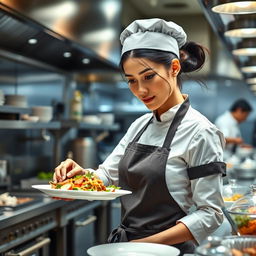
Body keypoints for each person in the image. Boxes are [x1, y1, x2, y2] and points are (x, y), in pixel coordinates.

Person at [53, 18, 226, 255]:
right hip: (128, 248)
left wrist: (143, 245)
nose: (140, 91)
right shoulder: (140, 125)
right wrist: (78, 178)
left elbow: (211, 214)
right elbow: (106, 175)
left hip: (169, 250)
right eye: (131, 81)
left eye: (148, 77)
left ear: (174, 68)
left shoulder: (200, 131)